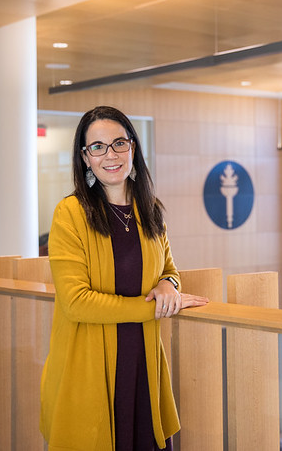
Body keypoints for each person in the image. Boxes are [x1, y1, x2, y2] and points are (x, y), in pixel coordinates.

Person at [40, 105, 208, 450]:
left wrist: (168, 285)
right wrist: (154, 309)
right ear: (85, 158)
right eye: (97, 147)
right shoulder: (70, 214)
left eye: (119, 143)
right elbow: (76, 303)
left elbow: (170, 271)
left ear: (133, 147)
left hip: (143, 366)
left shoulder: (150, 210)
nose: (110, 155)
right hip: (88, 369)